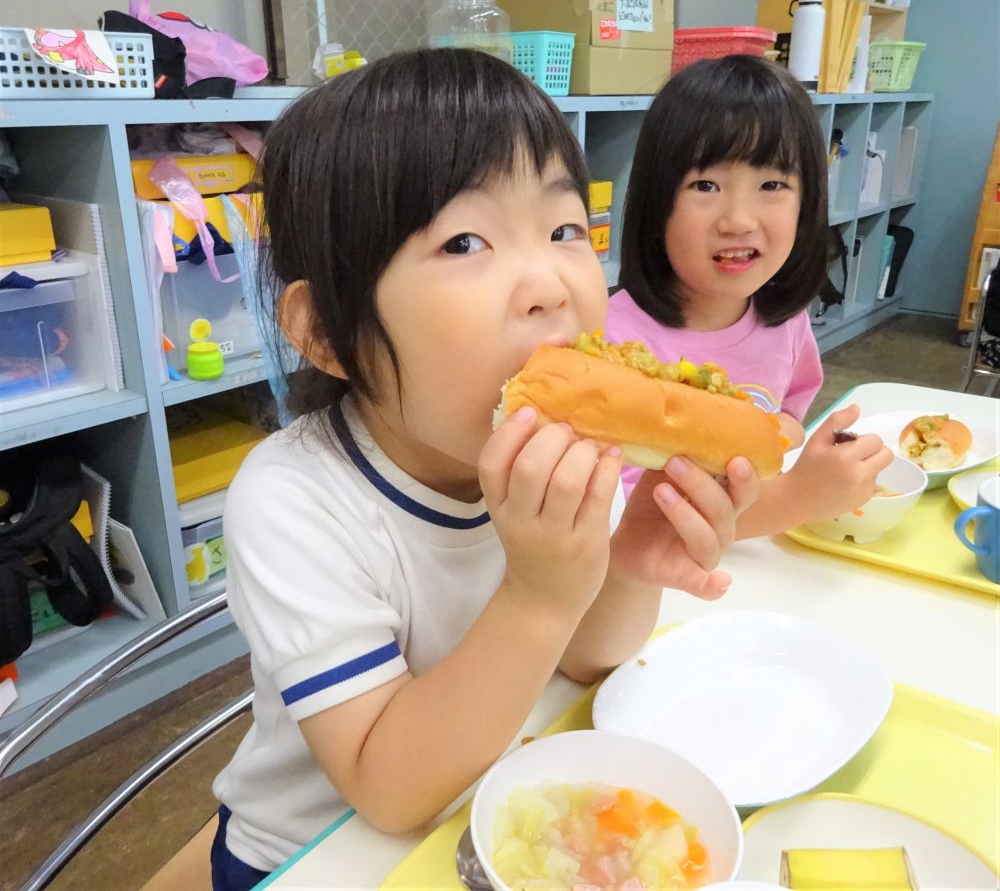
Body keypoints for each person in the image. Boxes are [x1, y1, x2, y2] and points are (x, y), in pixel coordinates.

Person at [209, 48, 759, 890]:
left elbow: (587, 660)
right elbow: (387, 791)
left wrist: (627, 564)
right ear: (325, 332)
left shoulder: (559, 455)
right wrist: (539, 594)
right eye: (464, 240)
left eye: (565, 229)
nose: (547, 284)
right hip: (313, 856)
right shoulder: (294, 501)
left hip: (489, 813)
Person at [606, 55, 892, 577]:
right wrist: (800, 497)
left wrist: (800, 447)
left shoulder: (785, 323)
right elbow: (636, 526)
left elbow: (786, 415)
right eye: (705, 186)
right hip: (655, 590)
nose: (738, 221)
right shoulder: (612, 345)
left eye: (773, 186)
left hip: (757, 569)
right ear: (655, 201)